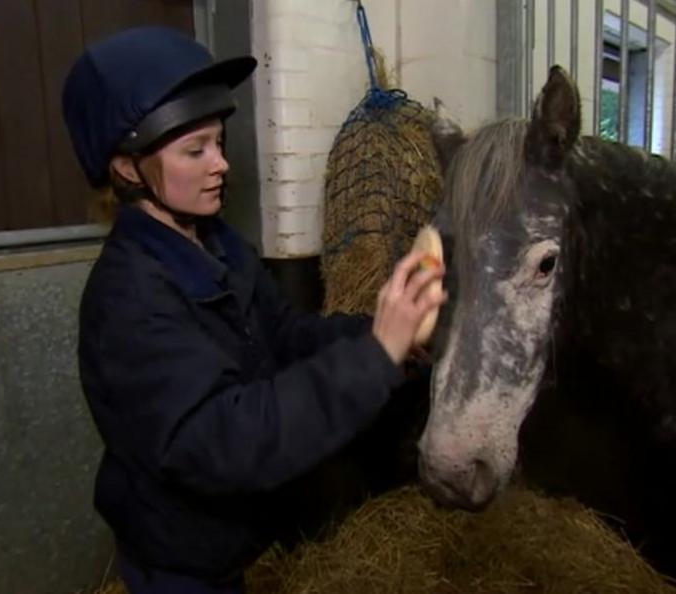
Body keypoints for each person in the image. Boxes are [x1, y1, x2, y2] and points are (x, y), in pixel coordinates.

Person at [61, 26, 446, 594]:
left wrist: (387, 339)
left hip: (229, 543)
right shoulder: (128, 301)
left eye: (219, 143)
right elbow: (232, 440)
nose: (221, 165)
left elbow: (284, 335)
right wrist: (372, 358)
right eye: (196, 151)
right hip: (180, 565)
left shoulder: (217, 245)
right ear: (126, 168)